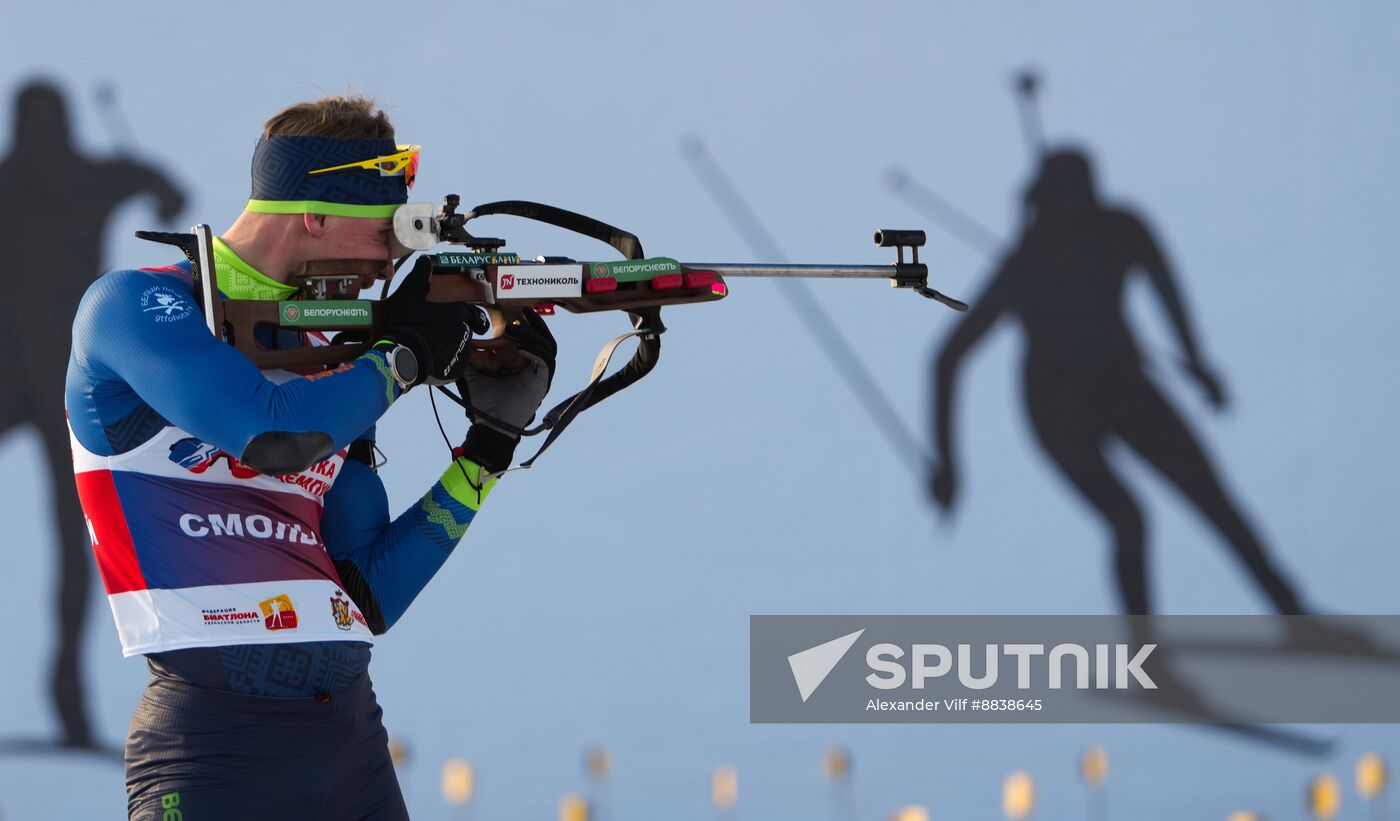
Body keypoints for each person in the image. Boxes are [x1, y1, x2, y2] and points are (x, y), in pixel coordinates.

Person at [66, 95, 556, 820]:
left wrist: (487, 450)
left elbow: (368, 592)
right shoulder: (133, 305)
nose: (392, 260)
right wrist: (408, 353)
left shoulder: (332, 363)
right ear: (314, 214)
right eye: (385, 232)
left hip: (350, 742)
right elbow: (272, 436)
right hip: (214, 749)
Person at [929, 148, 1305, 618]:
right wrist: (949, 464)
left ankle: (1294, 613)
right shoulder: (1028, 263)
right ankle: (1147, 662)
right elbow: (947, 360)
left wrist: (1197, 364)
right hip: (1058, 411)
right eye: (1053, 204)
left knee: (1213, 499)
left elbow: (1169, 296)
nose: (1066, 215)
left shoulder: (1123, 231)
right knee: (1129, 521)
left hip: (1123, 387)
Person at [0, 79, 185, 750]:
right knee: (74, 541)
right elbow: (166, 189)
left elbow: (162, 187)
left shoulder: (28, 179)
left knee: (74, 540)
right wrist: (158, 194)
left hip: (32, 381)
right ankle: (70, 700)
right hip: (56, 381)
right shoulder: (91, 177)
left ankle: (70, 699)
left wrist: (159, 191)